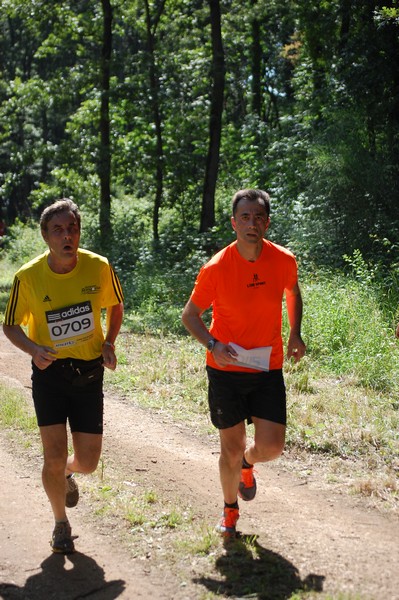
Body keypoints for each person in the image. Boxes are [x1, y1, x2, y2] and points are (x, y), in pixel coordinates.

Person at [2, 198, 124, 554]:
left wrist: (109, 342)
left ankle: (69, 474)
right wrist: (33, 350)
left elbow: (115, 305)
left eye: (72, 228)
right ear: (45, 235)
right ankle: (60, 523)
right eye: (58, 229)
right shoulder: (28, 276)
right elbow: (9, 325)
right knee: (52, 457)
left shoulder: (98, 267)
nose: (67, 235)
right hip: (50, 374)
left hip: (88, 374)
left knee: (87, 462)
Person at [182, 188, 306, 536]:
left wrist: (295, 332)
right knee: (230, 448)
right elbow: (190, 315)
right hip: (226, 370)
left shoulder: (283, 260)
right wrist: (212, 343)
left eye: (259, 217)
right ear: (234, 222)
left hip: (267, 367)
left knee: (272, 446)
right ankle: (229, 510)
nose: (253, 223)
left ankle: (249, 465)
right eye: (245, 217)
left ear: (267, 222)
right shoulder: (217, 267)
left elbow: (293, 293)